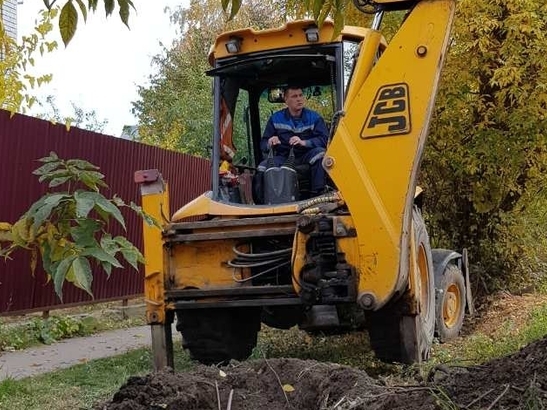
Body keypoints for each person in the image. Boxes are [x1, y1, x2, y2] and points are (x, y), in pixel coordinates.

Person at [259, 86, 329, 195]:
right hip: (284, 158)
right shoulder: (275, 119)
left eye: (301, 95)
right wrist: (270, 142)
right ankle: (263, 201)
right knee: (262, 167)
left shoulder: (315, 118)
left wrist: (304, 142)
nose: (299, 99)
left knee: (320, 153)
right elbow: (263, 144)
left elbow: (325, 140)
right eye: (294, 96)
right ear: (286, 100)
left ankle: (317, 193)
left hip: (306, 155)